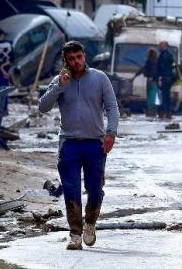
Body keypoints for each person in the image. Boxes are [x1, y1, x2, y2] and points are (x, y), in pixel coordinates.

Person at [39, 41, 119, 250]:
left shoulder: (100, 78)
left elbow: (112, 107)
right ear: (65, 61)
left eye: (78, 57)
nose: (76, 62)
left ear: (84, 56)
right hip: (69, 144)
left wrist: (111, 133)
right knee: (71, 189)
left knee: (94, 189)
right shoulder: (60, 81)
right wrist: (59, 87)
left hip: (95, 144)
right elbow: (43, 107)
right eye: (71, 59)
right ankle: (75, 233)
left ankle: (90, 223)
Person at [133, 48, 158, 117]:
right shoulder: (156, 61)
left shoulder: (150, 61)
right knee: (153, 96)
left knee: (150, 96)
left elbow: (144, 69)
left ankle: (151, 111)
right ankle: (153, 111)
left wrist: (136, 75)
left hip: (151, 80)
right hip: (154, 80)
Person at [156, 41, 175, 120]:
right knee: (166, 96)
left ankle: (165, 112)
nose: (159, 47)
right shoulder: (169, 55)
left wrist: (160, 77)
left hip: (165, 78)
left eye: (161, 45)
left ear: (165, 46)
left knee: (164, 96)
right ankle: (168, 112)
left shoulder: (163, 55)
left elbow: (162, 68)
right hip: (169, 78)